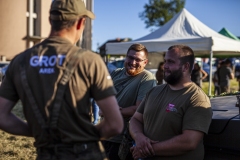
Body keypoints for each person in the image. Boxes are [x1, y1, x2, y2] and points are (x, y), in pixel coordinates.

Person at [0, 0, 124, 159]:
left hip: (45, 153)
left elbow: (2, 116)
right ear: (81, 23)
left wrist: (39, 132)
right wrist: (82, 135)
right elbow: (115, 124)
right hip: (84, 153)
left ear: (50, 20)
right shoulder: (89, 61)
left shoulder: (20, 62)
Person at [129, 45, 212, 160]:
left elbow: (189, 141)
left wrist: (147, 150)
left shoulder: (197, 98)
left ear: (185, 67)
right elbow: (135, 119)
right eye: (165, 61)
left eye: (171, 62)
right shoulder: (154, 91)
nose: (165, 66)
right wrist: (139, 138)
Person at [102, 43, 156, 160]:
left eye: (138, 59)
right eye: (130, 57)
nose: (133, 62)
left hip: (124, 140)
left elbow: (139, 109)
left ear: (145, 62)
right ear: (126, 57)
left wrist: (110, 111)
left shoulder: (147, 78)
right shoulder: (116, 73)